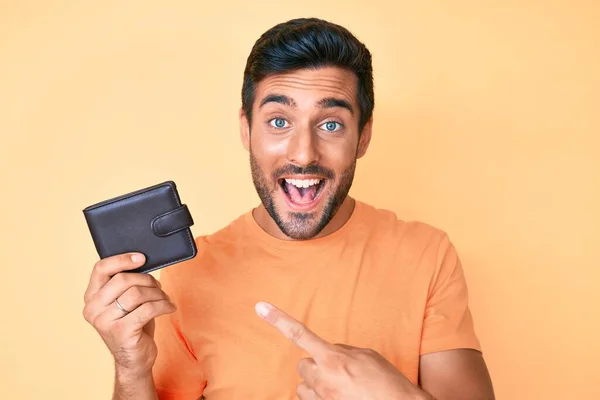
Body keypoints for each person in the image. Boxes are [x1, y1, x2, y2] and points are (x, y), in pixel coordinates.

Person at [82, 17, 495, 400]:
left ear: (363, 137)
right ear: (246, 129)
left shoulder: (427, 254)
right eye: (279, 121)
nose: (303, 153)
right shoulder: (188, 277)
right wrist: (130, 369)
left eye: (331, 124)